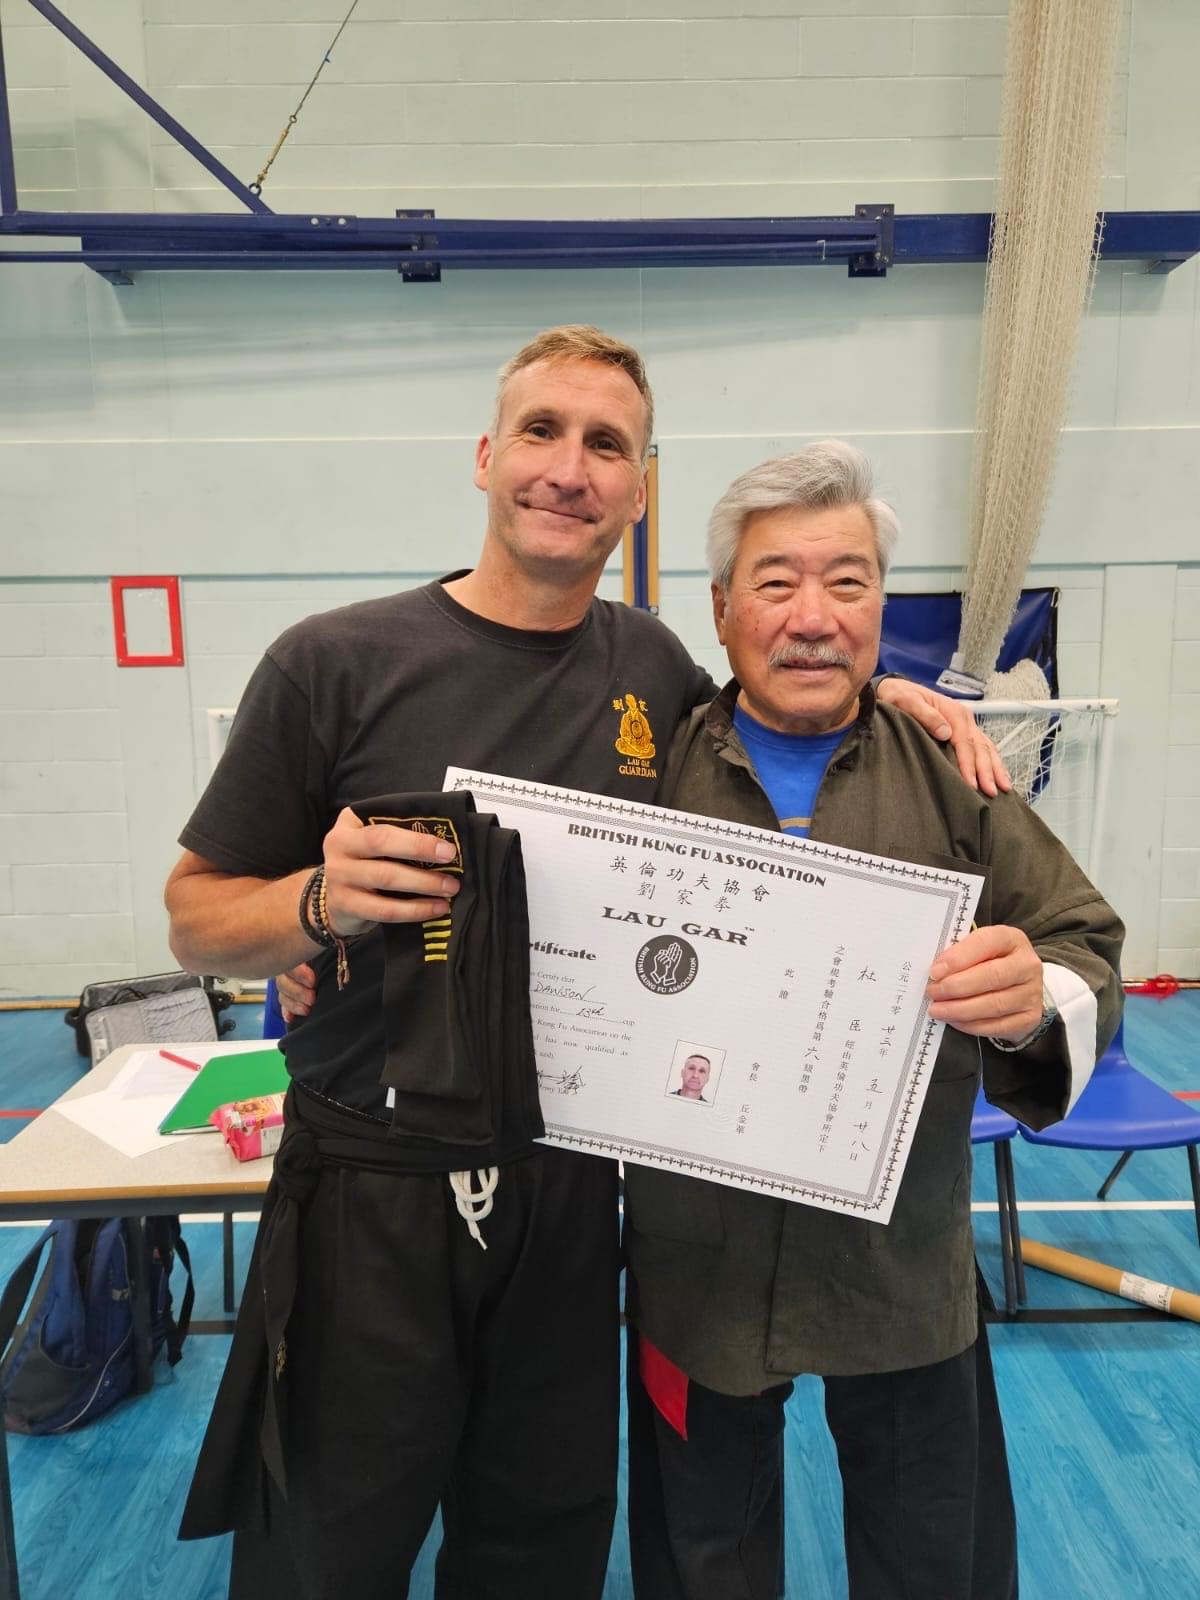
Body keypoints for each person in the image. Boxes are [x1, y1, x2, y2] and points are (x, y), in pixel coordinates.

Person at [165, 326, 1006, 1600]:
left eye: (606, 444)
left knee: (538, 1556)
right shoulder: (332, 660)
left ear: (640, 484)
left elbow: (780, 710)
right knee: (324, 1559)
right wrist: (316, 906)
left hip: (567, 1194)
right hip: (372, 1192)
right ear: (488, 455)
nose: (570, 468)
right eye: (544, 433)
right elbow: (193, 915)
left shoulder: (652, 669)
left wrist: (895, 696)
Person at [621, 441, 1125, 1600]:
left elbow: (1085, 942)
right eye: (778, 581)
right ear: (722, 608)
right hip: (698, 1256)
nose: (812, 616)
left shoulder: (960, 778)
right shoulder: (643, 775)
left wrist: (1030, 995)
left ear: (880, 607)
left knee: (930, 1552)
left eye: (847, 582)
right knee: (704, 1554)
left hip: (901, 1257)